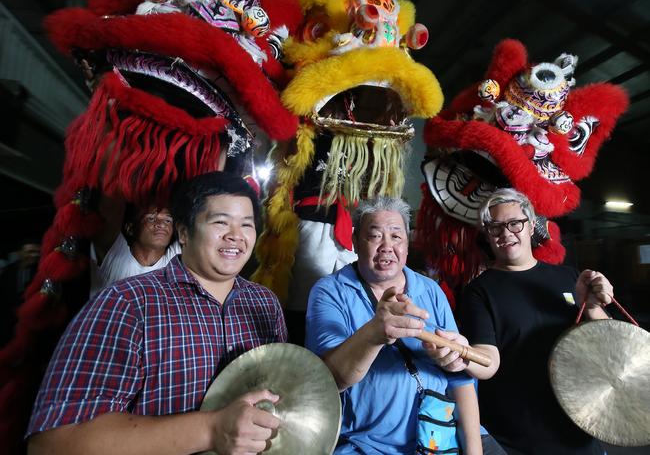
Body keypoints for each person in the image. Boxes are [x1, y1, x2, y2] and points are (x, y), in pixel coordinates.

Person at [27, 172, 287, 455]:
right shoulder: (126, 304)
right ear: (184, 233)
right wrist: (211, 430)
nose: (235, 235)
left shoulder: (265, 302)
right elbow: (52, 444)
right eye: (220, 222)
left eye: (246, 225)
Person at [306, 196, 503, 454]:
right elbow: (329, 381)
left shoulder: (430, 290)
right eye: (375, 236)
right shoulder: (330, 292)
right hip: (370, 445)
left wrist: (473, 450)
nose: (387, 246)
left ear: (407, 245)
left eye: (396, 237)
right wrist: (374, 333)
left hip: (443, 434)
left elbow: (460, 378)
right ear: (355, 242)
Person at [428, 188, 613, 455]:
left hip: (579, 430)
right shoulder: (480, 291)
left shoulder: (568, 278)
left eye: (514, 223)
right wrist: (461, 353)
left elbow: (605, 348)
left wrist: (593, 307)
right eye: (496, 227)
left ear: (530, 226)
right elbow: (488, 359)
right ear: (487, 234)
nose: (506, 233)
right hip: (518, 437)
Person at [89, 198, 181, 297]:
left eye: (167, 220)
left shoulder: (176, 257)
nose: (161, 224)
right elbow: (111, 207)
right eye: (151, 218)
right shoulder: (116, 257)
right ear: (130, 228)